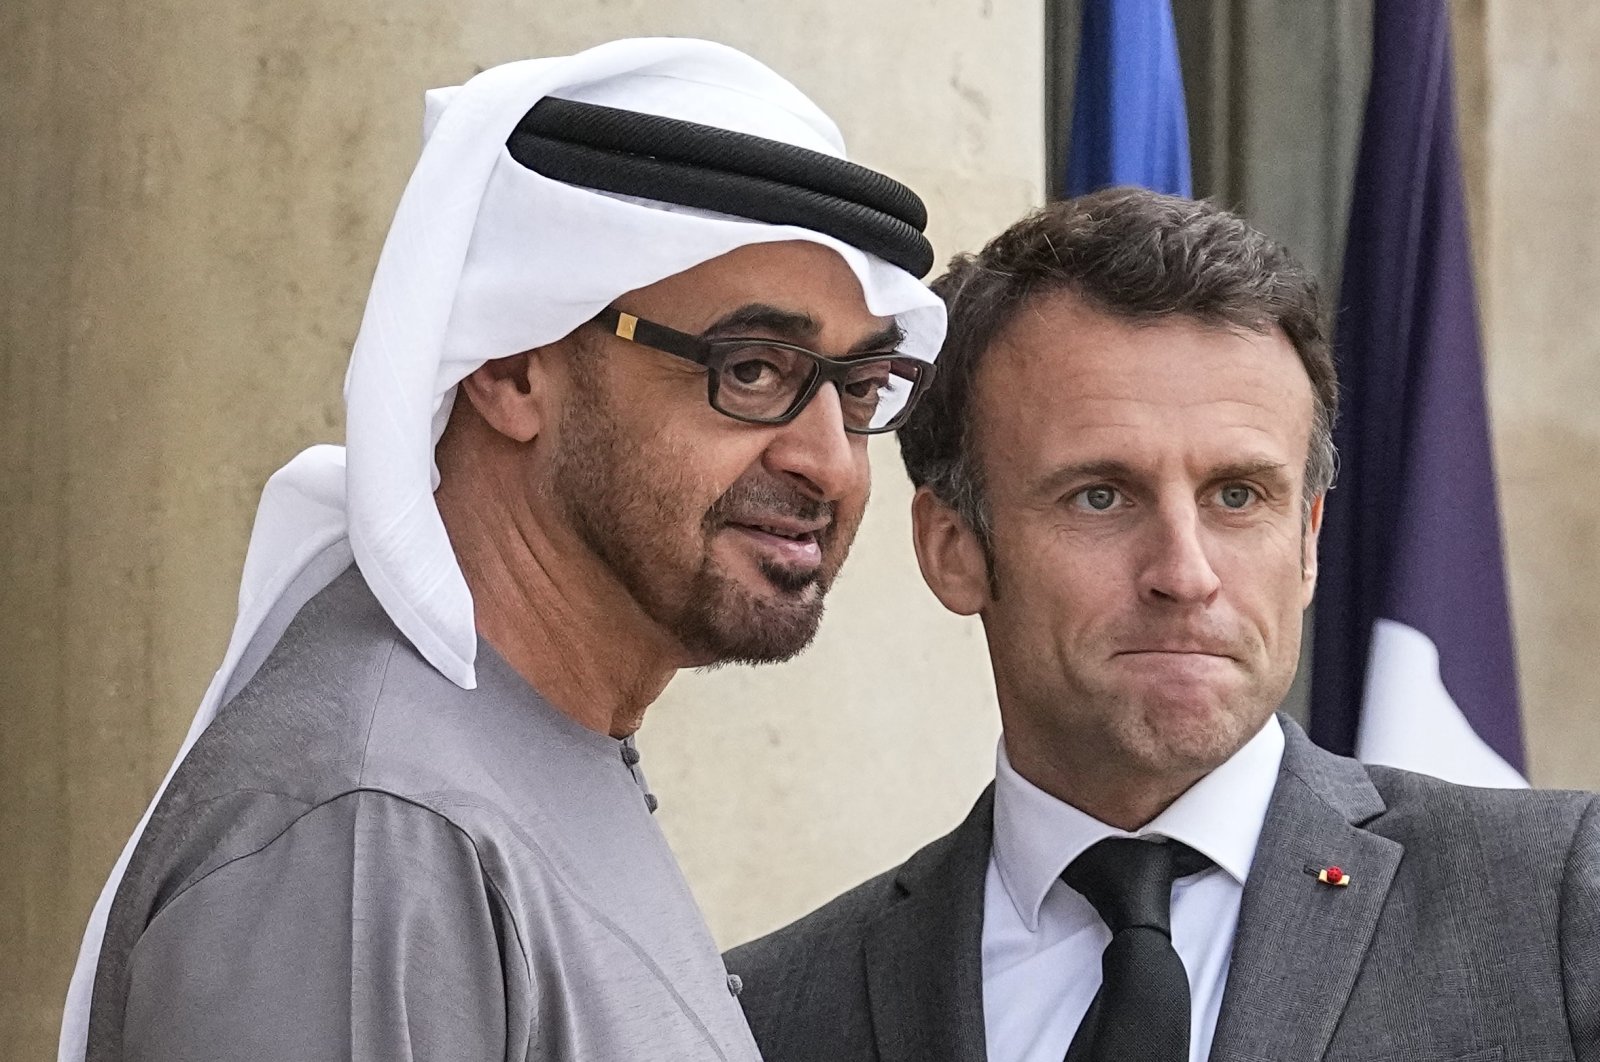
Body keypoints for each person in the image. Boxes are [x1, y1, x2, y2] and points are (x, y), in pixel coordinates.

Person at [61, 38, 947, 1062]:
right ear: (514, 366)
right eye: (750, 370)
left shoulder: (529, 749)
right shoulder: (374, 833)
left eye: (858, 388)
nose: (826, 462)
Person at [725, 188, 1600, 1062]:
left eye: (1237, 496)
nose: (1185, 574)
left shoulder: (1556, 906)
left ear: (1307, 544)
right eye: (1100, 497)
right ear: (953, 550)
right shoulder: (770, 1013)